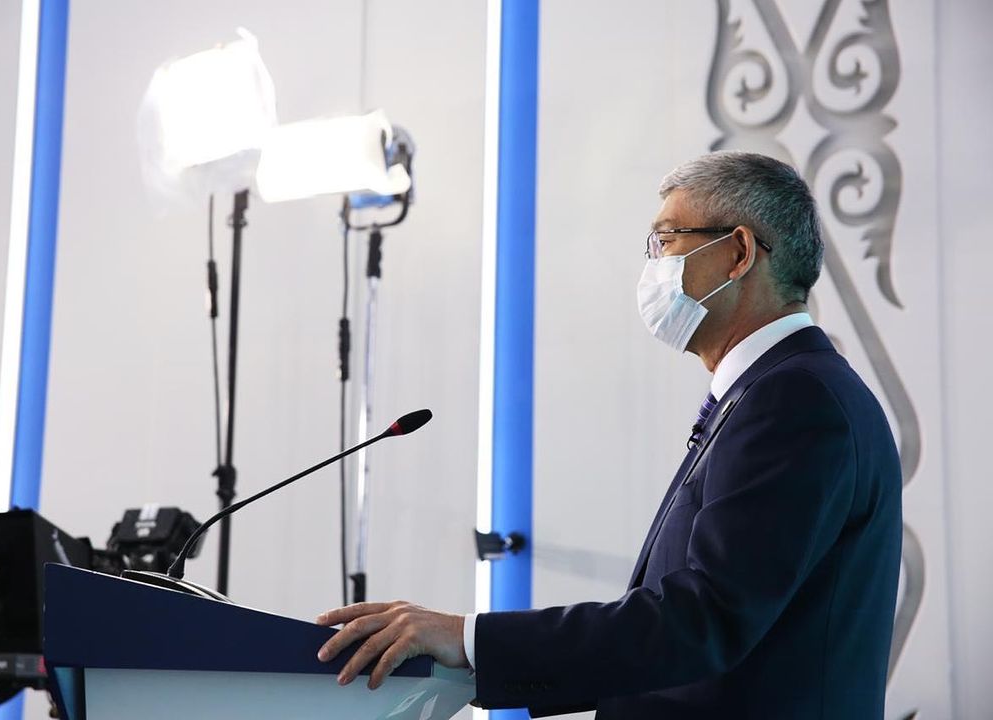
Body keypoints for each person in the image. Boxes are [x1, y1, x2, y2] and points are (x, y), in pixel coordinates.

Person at [315, 151, 902, 719]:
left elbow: (704, 619)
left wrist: (470, 640)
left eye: (666, 239)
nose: (653, 264)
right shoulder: (777, 390)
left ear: (739, 252)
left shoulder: (794, 400)